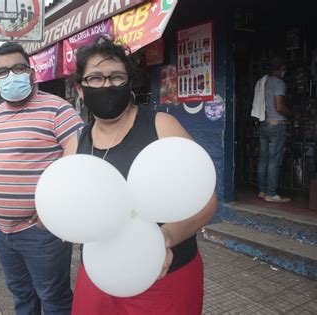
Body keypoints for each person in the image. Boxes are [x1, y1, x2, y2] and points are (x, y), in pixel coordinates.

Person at [71, 37, 217, 314]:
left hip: (165, 277)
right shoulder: (76, 143)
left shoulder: (161, 126)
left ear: (129, 83)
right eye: (95, 78)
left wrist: (165, 238)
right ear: (80, 88)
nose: (107, 85)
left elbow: (207, 200)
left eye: (116, 77)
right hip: (98, 276)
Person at [0, 43, 84, 314]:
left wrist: (53, 206)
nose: (11, 75)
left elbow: (80, 159)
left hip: (40, 230)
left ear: (30, 72)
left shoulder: (57, 109)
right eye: (2, 72)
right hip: (0, 228)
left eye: (18, 68)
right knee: (20, 293)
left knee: (53, 296)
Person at [255, 56, 295, 203]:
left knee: (263, 158)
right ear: (281, 68)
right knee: (274, 160)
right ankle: (271, 194)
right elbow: (279, 106)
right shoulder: (278, 83)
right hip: (276, 124)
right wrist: (293, 114)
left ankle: (262, 190)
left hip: (264, 123)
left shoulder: (263, 82)